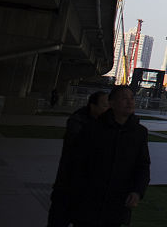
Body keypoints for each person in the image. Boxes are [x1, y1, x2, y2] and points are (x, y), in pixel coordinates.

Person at [67, 84, 150, 227]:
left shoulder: (139, 132)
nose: (130, 102)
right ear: (111, 103)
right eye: (124, 98)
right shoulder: (93, 129)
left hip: (117, 202)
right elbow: (77, 163)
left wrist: (137, 191)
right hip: (89, 201)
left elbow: (142, 165)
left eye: (132, 98)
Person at [47, 90, 110, 227]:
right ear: (93, 106)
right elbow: (81, 150)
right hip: (67, 188)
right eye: (105, 105)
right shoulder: (78, 122)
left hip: (89, 193)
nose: (108, 109)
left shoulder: (105, 125)